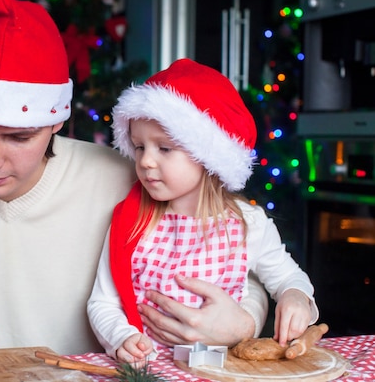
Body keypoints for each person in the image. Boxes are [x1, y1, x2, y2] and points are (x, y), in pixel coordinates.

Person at [0, 0, 269, 355]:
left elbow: (238, 249)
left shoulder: (125, 178)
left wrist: (245, 322)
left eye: (19, 137)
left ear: (56, 121)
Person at [87, 58, 319, 364]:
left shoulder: (247, 223)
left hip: (224, 371)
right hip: (153, 370)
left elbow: (289, 278)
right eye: (139, 146)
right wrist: (122, 338)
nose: (145, 161)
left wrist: (296, 298)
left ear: (207, 155)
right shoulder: (133, 222)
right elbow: (102, 302)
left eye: (164, 148)